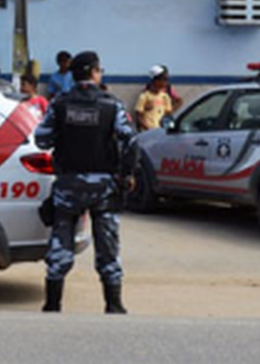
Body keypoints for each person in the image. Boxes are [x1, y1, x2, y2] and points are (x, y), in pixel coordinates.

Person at [35, 51, 134, 314]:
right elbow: (131, 141)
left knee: (60, 248)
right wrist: (127, 175)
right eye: (100, 69)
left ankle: (52, 304)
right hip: (104, 187)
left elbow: (41, 139)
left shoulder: (59, 103)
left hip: (68, 186)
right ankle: (114, 305)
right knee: (108, 249)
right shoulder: (112, 105)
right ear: (93, 72)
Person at [136, 66, 175, 131]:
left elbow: (168, 116)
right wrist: (149, 130)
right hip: (148, 133)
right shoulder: (144, 96)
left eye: (166, 80)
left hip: (161, 132)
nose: (166, 83)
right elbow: (139, 117)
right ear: (155, 80)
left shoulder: (165, 97)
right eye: (164, 80)